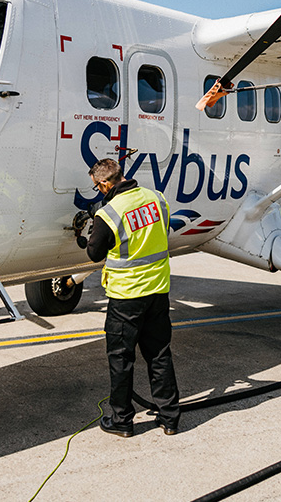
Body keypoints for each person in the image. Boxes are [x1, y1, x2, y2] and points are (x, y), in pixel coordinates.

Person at [85, 158, 180, 437]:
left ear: (104, 184)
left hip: (126, 296)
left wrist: (93, 229)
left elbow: (94, 254)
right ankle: (170, 417)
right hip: (158, 291)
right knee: (159, 354)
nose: (97, 192)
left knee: (121, 359)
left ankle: (122, 420)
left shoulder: (109, 213)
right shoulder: (157, 198)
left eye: (96, 187)